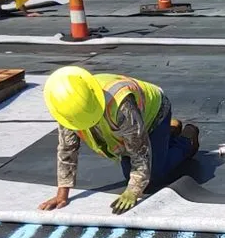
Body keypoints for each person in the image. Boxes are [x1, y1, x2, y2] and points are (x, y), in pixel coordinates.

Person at [38, 66, 200, 215]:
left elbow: (140, 150)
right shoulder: (68, 108)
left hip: (155, 113)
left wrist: (133, 191)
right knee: (131, 170)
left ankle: (186, 141)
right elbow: (67, 149)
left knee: (152, 178)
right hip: (132, 125)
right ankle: (169, 132)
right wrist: (62, 193)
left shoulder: (120, 106)